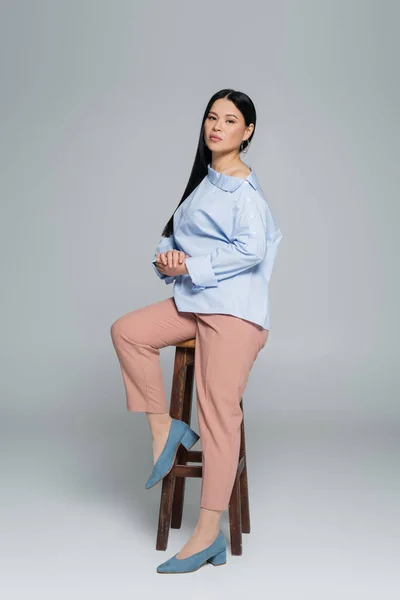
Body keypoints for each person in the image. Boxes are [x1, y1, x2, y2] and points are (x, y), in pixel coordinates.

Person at [110, 88, 283, 574]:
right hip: (196, 301)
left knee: (219, 414)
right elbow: (176, 239)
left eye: (230, 120)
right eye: (212, 117)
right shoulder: (203, 183)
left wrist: (191, 266)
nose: (217, 126)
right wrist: (167, 260)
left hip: (233, 313)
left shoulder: (245, 190)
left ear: (247, 132)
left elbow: (249, 251)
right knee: (128, 332)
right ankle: (166, 428)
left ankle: (208, 535)